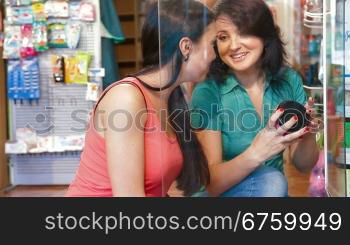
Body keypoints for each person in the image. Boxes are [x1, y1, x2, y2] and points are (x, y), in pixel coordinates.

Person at [66, 0, 217, 197]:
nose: (216, 54)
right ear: (186, 47)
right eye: (212, 44)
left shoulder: (169, 99)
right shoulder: (126, 99)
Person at [191, 0, 320, 197]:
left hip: (270, 197)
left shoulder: (289, 80)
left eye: (243, 32)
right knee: (272, 180)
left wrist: (308, 132)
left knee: (272, 183)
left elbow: (303, 165)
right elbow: (210, 184)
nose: (233, 46)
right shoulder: (208, 91)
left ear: (264, 34)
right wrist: (256, 153)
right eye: (223, 37)